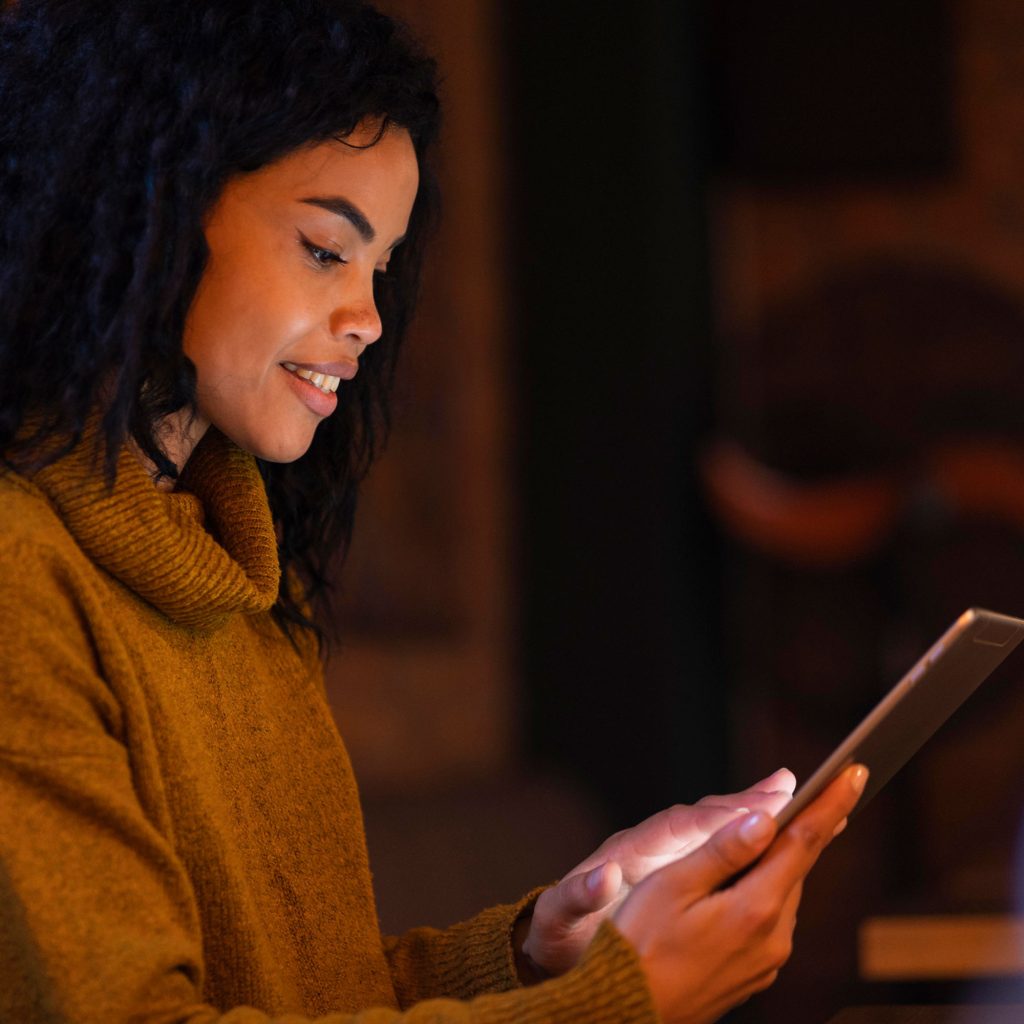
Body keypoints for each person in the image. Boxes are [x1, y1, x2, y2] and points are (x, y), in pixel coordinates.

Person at [0, 2, 866, 1022]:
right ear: (140, 208)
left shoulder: (236, 587)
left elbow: (313, 996)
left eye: (381, 266)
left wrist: (543, 949)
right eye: (326, 248)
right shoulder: (23, 578)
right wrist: (621, 1004)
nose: (368, 319)